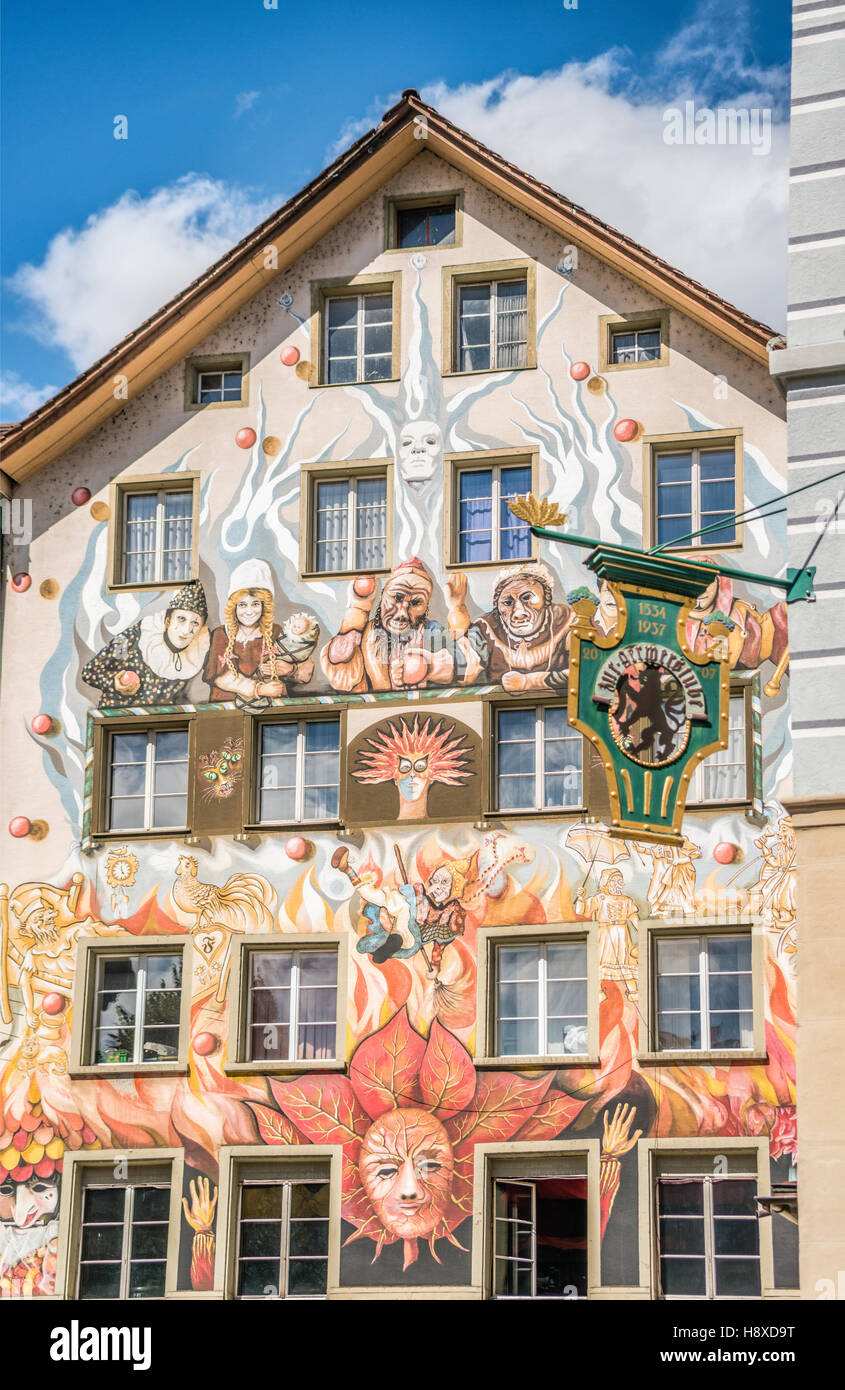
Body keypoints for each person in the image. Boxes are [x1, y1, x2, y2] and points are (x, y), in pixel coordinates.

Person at [321, 558, 481, 693]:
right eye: (397, 598)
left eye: (416, 602)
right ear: (382, 596)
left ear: (426, 607)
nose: (403, 612)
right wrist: (356, 614)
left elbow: (465, 660)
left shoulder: (430, 631)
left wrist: (429, 666)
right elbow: (342, 678)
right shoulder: (367, 635)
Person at [204, 559, 316, 706]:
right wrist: (260, 689)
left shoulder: (277, 632)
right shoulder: (222, 634)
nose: (249, 611)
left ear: (265, 606)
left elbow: (306, 668)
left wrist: (290, 669)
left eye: (255, 604)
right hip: (227, 709)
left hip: (273, 712)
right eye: (242, 605)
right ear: (234, 608)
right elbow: (220, 677)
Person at [82, 580, 210, 707]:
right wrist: (114, 683)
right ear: (167, 621)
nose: (186, 630)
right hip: (117, 720)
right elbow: (90, 671)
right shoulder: (133, 637)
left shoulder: (198, 653)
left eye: (195, 623)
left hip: (161, 724)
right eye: (181, 619)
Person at [462, 561, 574, 692]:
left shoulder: (567, 620)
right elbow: (461, 671)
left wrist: (530, 682)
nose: (518, 613)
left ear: (545, 599)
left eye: (527, 597)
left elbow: (586, 672)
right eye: (507, 602)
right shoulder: (485, 627)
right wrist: (457, 609)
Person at [574, 868, 639, 995]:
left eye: (619, 880)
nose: (616, 884)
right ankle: (598, 993)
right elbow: (581, 911)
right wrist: (580, 898)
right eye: (613, 881)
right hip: (604, 936)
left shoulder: (626, 901)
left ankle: (633, 992)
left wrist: (642, 933)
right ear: (605, 883)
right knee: (602, 964)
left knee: (626, 964)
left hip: (622, 936)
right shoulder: (600, 899)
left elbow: (634, 918)